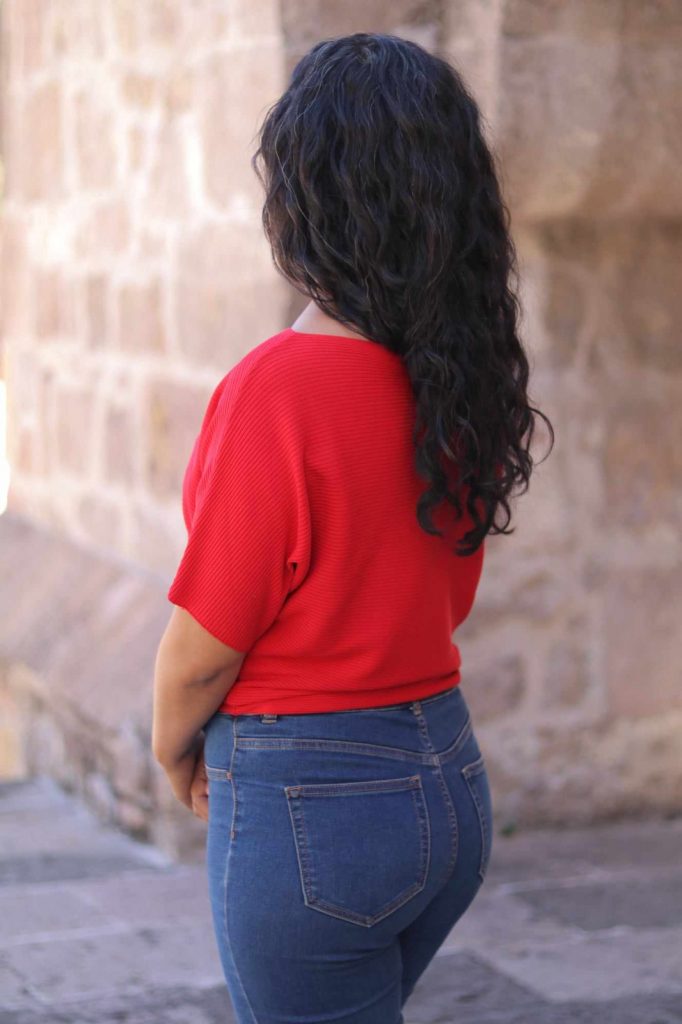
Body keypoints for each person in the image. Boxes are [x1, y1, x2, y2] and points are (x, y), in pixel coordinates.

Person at [152, 31, 554, 1024]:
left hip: (313, 802)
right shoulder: (456, 374)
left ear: (306, 196)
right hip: (447, 777)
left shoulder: (278, 389)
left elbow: (205, 646)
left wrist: (169, 749)